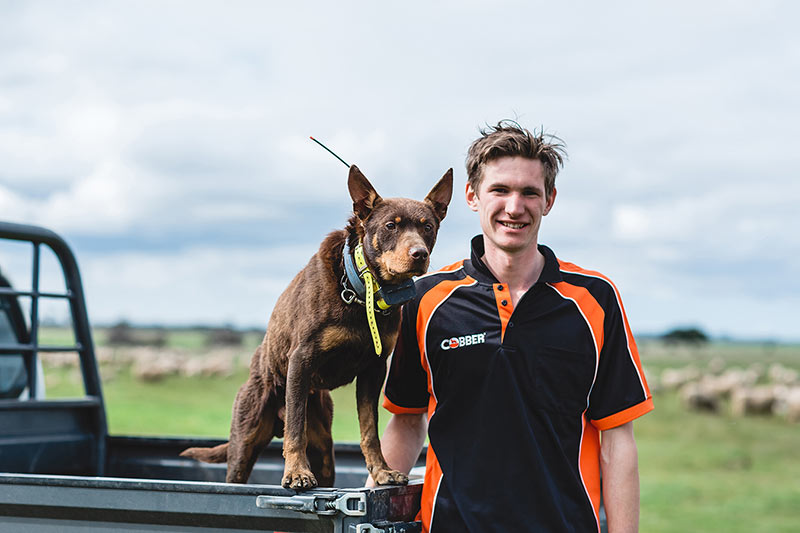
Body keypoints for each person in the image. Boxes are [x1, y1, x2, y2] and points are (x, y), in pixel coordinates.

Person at [375, 121, 654, 532]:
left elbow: (617, 441)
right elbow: (406, 421)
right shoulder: (425, 299)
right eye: (500, 190)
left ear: (550, 199)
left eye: (529, 192)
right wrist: (365, 515)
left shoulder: (595, 299)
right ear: (472, 196)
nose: (514, 206)